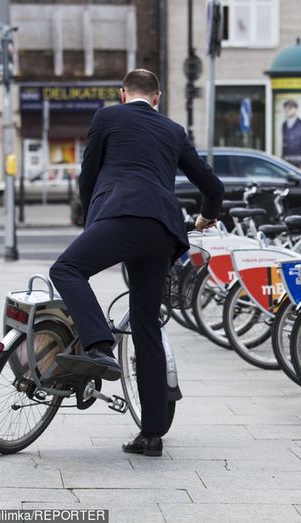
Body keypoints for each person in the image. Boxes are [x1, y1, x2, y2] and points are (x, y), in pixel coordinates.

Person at [50, 69, 224, 457]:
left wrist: (91, 220)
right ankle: (151, 434)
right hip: (164, 230)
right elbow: (212, 186)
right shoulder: (173, 130)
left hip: (121, 215)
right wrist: (204, 217)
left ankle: (99, 346)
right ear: (158, 97)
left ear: (123, 94)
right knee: (146, 328)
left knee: (66, 269)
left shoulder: (108, 117)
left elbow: (89, 175)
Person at [280, 99, 301, 168]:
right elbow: (284, 145)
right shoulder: (284, 125)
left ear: (295, 109)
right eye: (285, 108)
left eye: (289, 108)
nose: (287, 110)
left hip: (299, 161)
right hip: (286, 161)